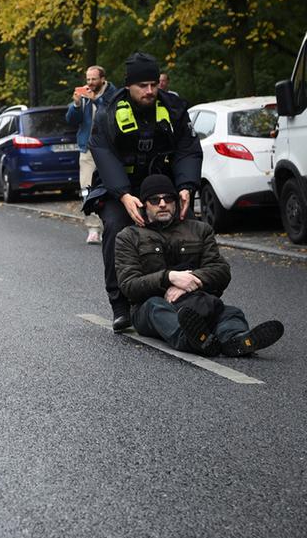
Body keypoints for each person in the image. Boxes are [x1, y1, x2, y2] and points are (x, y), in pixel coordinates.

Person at [85, 52, 202, 332]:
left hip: (161, 185)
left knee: (187, 227)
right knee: (115, 227)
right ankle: (121, 304)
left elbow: (188, 149)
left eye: (154, 84)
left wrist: (186, 187)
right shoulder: (108, 113)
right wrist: (124, 195)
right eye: (143, 86)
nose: (150, 91)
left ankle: (189, 291)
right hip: (118, 188)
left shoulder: (174, 108)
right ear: (129, 87)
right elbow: (102, 152)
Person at [115, 175, 283, 356]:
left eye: (168, 198)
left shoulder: (200, 230)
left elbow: (221, 270)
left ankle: (235, 340)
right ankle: (190, 339)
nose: (162, 204)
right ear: (144, 205)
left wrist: (192, 280)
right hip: (152, 306)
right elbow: (129, 285)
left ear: (176, 202)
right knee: (155, 307)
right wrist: (169, 278)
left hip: (197, 301)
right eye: (155, 200)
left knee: (229, 313)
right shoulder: (128, 237)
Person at [66, 65, 118, 244]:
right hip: (87, 149)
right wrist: (77, 104)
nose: (90, 83)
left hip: (109, 149)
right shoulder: (84, 95)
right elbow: (71, 120)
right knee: (87, 188)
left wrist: (95, 99)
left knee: (111, 186)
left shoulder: (113, 94)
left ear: (103, 79)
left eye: (93, 79)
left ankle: (111, 225)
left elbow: (112, 112)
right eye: (88, 79)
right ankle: (93, 228)